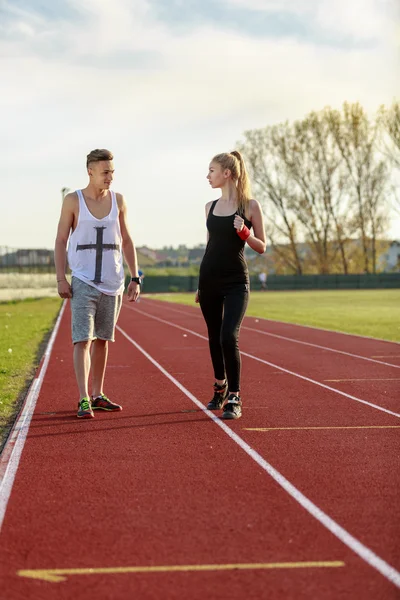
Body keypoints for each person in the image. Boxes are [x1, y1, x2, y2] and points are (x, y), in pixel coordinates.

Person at [55, 148, 142, 419]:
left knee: (104, 339)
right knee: (82, 339)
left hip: (113, 282)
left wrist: (135, 276)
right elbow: (60, 240)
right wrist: (61, 277)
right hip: (82, 280)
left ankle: (98, 393)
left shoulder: (119, 201)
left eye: (112, 172)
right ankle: (83, 398)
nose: (110, 177)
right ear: (90, 171)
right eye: (105, 172)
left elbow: (127, 240)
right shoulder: (73, 200)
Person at [195, 151, 266, 419]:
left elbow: (262, 246)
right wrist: (200, 285)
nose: (208, 176)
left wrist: (245, 233)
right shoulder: (209, 207)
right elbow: (209, 246)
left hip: (236, 281)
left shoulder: (250, 206)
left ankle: (235, 397)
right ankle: (220, 387)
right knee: (214, 337)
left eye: (211, 170)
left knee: (228, 336)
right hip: (209, 279)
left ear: (227, 173)